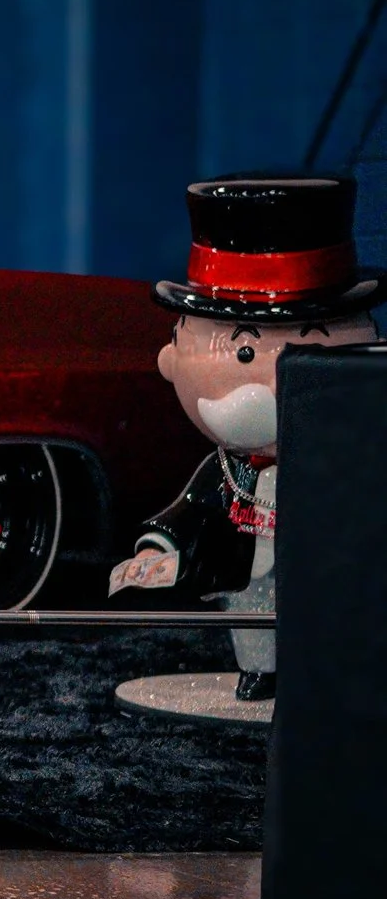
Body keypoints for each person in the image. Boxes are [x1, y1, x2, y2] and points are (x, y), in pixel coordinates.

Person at [110, 176, 381, 700]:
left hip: (331, 571)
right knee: (252, 611)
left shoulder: (351, 460)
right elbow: (191, 507)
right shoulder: (229, 472)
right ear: (172, 360)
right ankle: (261, 672)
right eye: (246, 353)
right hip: (247, 569)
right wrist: (157, 545)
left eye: (311, 343)